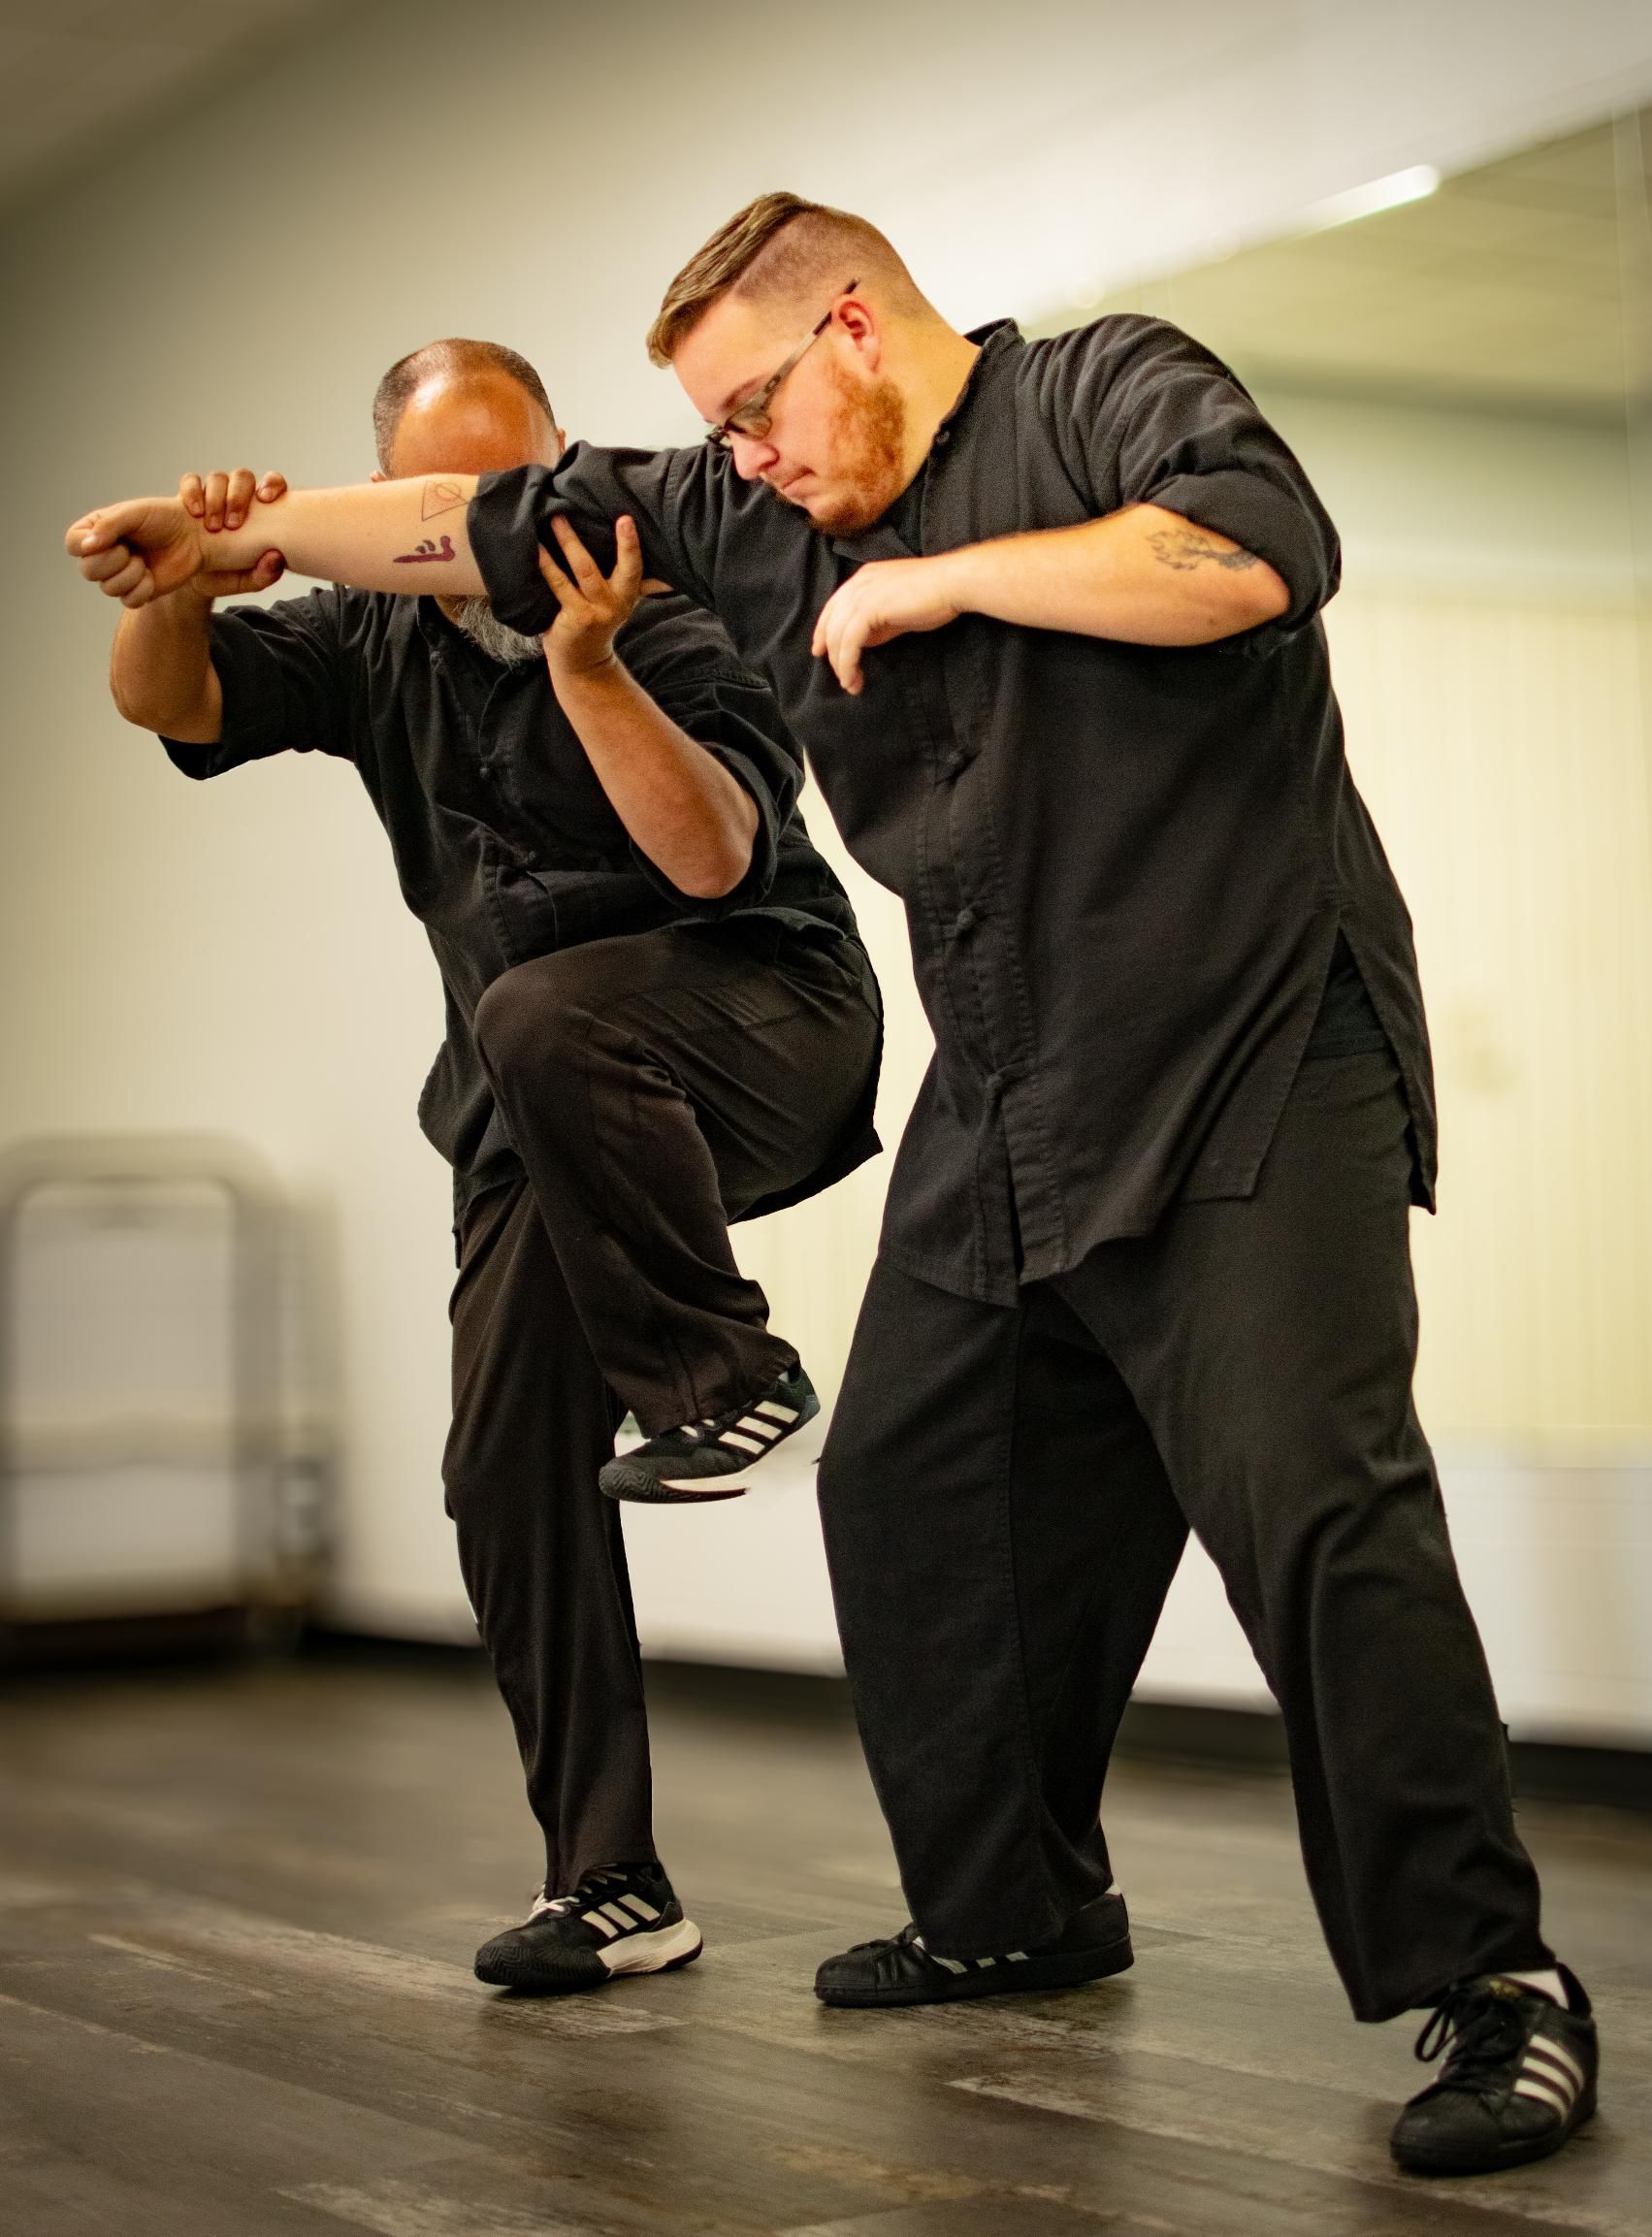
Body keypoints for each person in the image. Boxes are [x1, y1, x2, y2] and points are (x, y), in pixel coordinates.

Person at [67, 206, 1599, 2180]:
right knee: (910, 1479)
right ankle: (1014, 1905)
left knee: (1312, 1499)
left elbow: (1247, 556)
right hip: (1012, 1073)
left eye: (758, 411)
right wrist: (241, 551)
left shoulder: (1101, 387)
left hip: (1257, 1046)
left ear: (856, 328)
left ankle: (1495, 1982)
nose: (744, 459)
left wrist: (945, 582)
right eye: (716, 431)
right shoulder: (746, 508)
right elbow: (475, 528)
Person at [77, 334, 883, 1997]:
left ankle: (729, 1371)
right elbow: (178, 695)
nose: (487, 519)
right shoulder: (376, 634)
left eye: (509, 482)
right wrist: (177, 579)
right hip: (538, 1094)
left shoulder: (666, 607)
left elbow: (717, 855)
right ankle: (612, 1883)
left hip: (759, 1027)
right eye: (442, 495)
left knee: (542, 1011)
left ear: (562, 465)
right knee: (503, 1468)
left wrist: (592, 668)